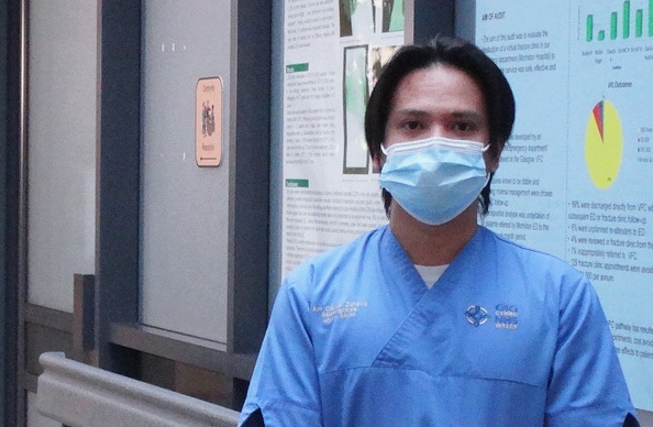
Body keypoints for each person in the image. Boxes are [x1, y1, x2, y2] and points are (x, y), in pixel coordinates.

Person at [241, 37, 638, 426]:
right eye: (413, 124)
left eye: (461, 126)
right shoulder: (311, 297)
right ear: (379, 153)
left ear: (494, 152)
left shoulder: (560, 300)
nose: (436, 146)